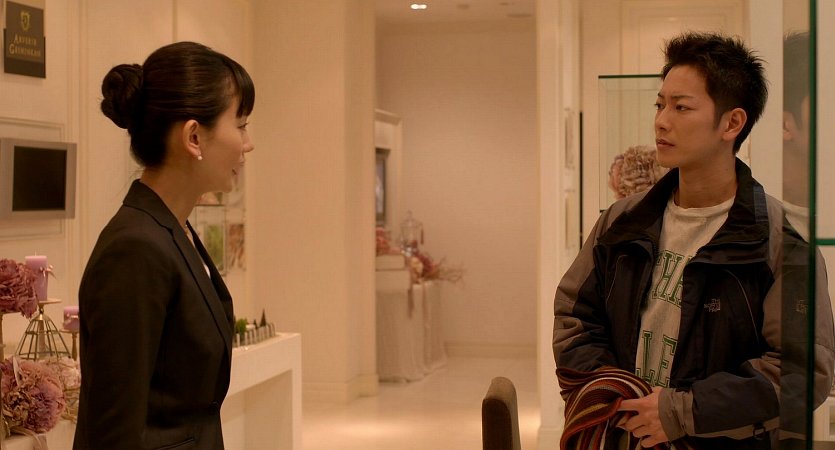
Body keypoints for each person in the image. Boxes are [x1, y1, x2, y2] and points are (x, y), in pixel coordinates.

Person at [553, 31, 835, 449]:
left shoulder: (780, 241)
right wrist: (614, 395)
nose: (661, 121)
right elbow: (574, 318)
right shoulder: (621, 221)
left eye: (681, 107)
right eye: (660, 104)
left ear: (732, 123)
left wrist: (682, 412)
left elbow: (802, 372)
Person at [73, 41, 255, 449]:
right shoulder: (136, 248)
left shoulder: (172, 230)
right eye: (240, 124)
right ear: (194, 137)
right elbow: (113, 431)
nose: (248, 143)